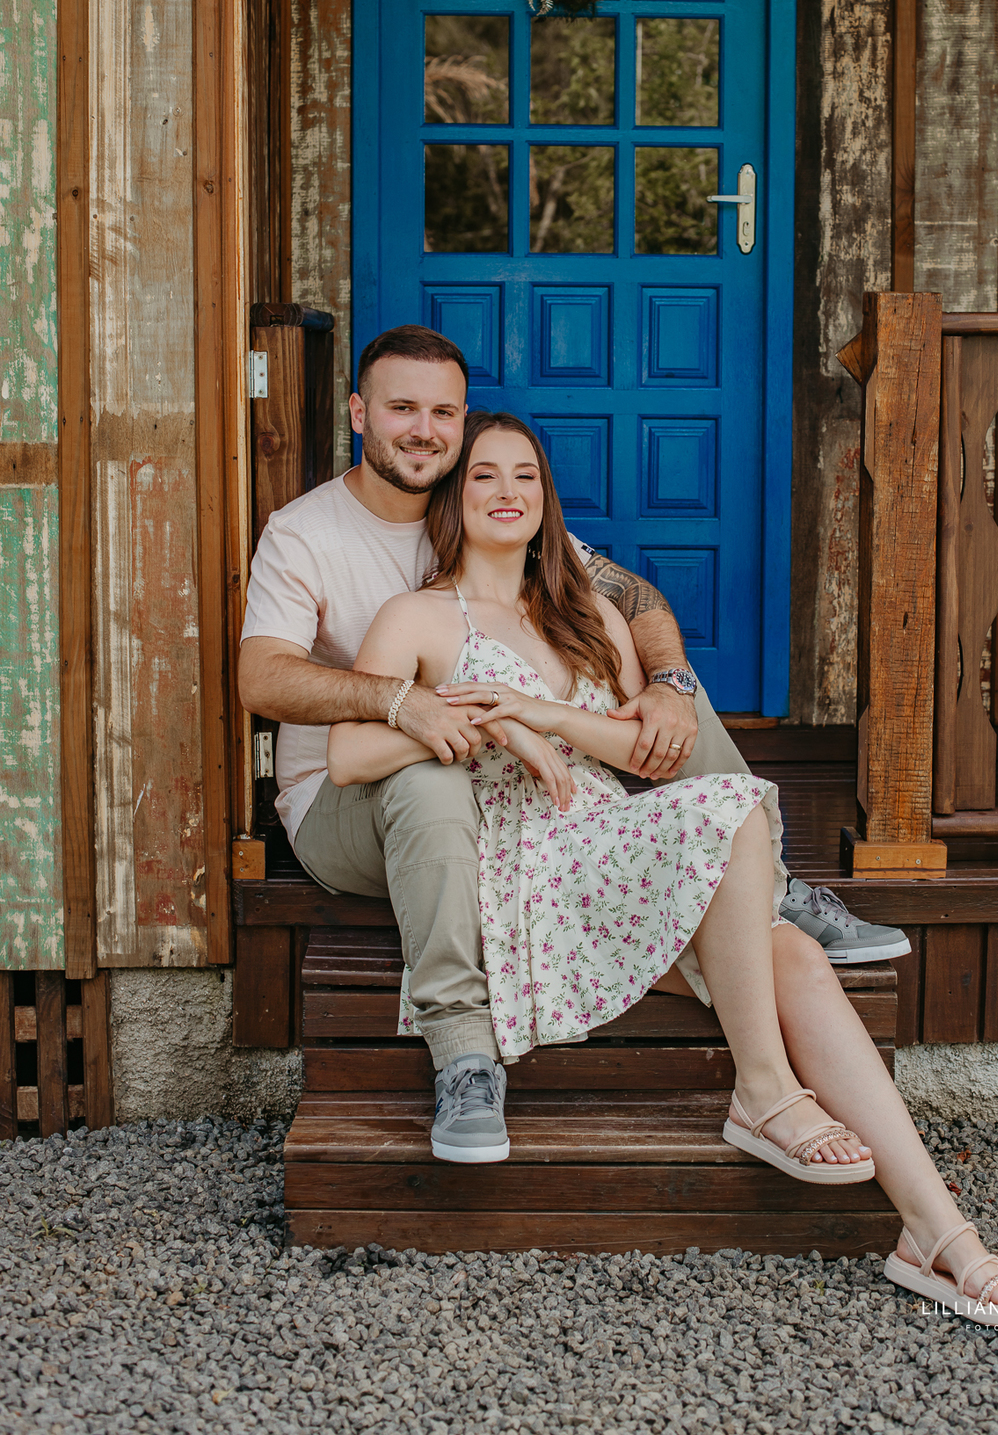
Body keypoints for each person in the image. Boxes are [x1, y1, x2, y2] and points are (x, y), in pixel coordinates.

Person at [327, 411, 998, 1326]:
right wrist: (489, 720)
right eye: (483, 478)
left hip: (614, 846)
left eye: (526, 479)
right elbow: (348, 756)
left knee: (797, 960)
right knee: (734, 805)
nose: (507, 493)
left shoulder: (589, 619)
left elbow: (642, 749)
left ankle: (941, 1239)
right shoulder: (417, 617)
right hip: (520, 863)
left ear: (548, 505)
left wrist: (537, 715)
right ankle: (765, 1091)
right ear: (454, 503)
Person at [237, 328, 906, 1123]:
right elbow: (264, 677)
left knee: (671, 704)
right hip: (347, 801)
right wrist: (402, 702)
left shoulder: (480, 500)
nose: (423, 429)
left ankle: (771, 885)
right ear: (359, 413)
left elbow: (630, 598)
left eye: (442, 411)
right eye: (401, 409)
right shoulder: (307, 533)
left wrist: (666, 681)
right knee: (431, 774)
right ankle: (463, 1049)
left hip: (509, 792)